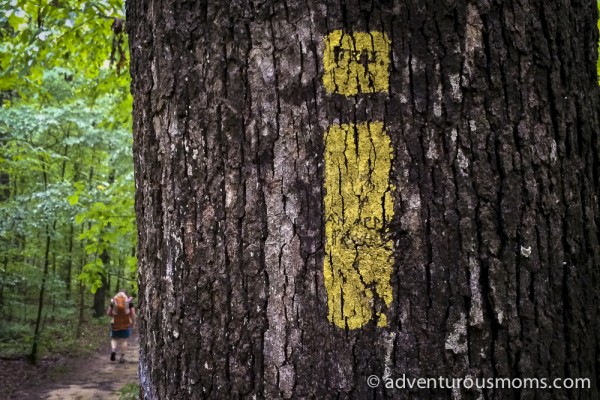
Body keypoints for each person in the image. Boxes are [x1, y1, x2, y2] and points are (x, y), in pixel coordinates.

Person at [106, 290, 136, 363]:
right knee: (123, 340)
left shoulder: (114, 302)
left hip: (115, 323)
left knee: (114, 338)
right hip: (126, 323)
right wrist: (134, 322)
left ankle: (113, 350)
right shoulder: (129, 303)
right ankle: (122, 357)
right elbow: (133, 314)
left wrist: (114, 315)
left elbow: (108, 313)